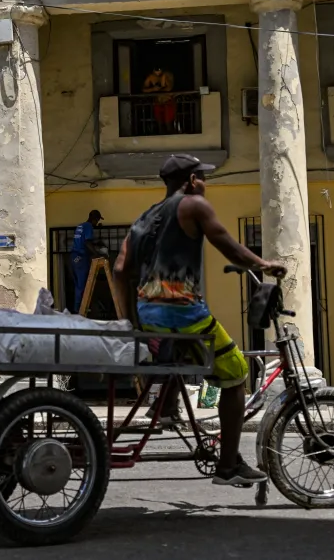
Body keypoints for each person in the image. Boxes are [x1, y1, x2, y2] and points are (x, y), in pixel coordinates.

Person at [113, 153, 286, 487]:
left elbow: (121, 269)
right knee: (236, 373)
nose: (205, 184)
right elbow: (228, 246)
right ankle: (227, 468)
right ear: (191, 181)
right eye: (202, 177)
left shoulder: (145, 218)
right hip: (183, 312)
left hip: (150, 314)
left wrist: (131, 321)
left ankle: (166, 408)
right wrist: (264, 265)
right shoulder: (193, 205)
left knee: (181, 355)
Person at [70, 210, 106, 313]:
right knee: (83, 284)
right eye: (97, 220)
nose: (97, 222)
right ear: (94, 218)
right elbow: (87, 243)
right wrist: (97, 254)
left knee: (78, 285)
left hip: (74, 257)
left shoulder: (81, 226)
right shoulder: (89, 227)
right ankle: (80, 310)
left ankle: (78, 308)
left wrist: (96, 242)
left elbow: (84, 240)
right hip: (81, 258)